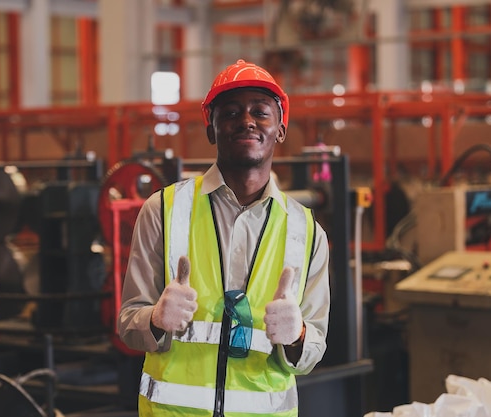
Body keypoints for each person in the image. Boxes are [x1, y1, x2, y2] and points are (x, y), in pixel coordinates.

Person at [118, 59, 331, 416]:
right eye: (230, 112)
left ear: (280, 129)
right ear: (211, 129)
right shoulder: (163, 211)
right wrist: (155, 318)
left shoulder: (307, 231)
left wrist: (298, 336)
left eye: (260, 112)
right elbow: (128, 322)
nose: (246, 120)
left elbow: (312, 351)